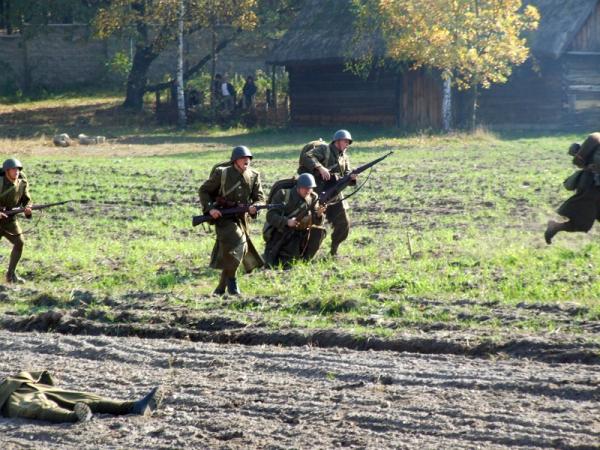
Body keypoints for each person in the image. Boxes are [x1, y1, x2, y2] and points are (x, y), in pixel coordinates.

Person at [199, 146, 265, 295]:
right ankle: (233, 283)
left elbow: (260, 198)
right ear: (235, 161)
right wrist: (210, 209)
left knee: (238, 251)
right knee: (240, 244)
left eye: (248, 159)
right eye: (243, 159)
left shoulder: (254, 175)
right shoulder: (222, 174)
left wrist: (255, 206)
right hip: (223, 218)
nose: (246, 161)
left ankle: (220, 289)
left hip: (242, 218)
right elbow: (204, 191)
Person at [0, 371, 161, 423]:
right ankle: (74, 416)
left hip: (21, 382)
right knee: (37, 407)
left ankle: (133, 407)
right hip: (5, 396)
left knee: (84, 397)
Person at [298, 130, 357, 256]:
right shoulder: (324, 149)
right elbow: (307, 156)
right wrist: (320, 167)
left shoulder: (344, 157)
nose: (347, 144)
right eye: (345, 141)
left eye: (348, 142)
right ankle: (305, 252)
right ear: (337, 141)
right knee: (313, 224)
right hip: (316, 193)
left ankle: (334, 250)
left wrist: (351, 178)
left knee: (343, 223)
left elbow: (345, 175)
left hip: (334, 195)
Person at [545, 133, 600, 244]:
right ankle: (555, 226)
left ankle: (555, 227)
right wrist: (588, 167)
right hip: (591, 185)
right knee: (581, 221)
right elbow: (578, 161)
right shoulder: (595, 139)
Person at [263, 173, 326, 267]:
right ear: (298, 187)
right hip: (282, 234)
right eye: (305, 188)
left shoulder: (313, 198)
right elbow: (270, 216)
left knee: (319, 232)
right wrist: (287, 222)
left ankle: (305, 258)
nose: (308, 191)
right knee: (281, 264)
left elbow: (316, 222)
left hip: (302, 235)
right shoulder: (283, 195)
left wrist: (319, 215)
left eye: (310, 188)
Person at [0, 158, 32, 283]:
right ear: (7, 171)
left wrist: (28, 209)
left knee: (19, 242)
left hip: (9, 220)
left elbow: (26, 199)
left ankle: (10, 275)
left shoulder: (22, 182)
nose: (16, 171)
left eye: (18, 169)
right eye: (13, 169)